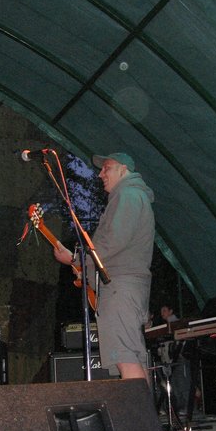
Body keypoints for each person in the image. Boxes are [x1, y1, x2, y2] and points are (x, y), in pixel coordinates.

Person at [54, 152, 155, 383]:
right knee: (134, 359)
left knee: (126, 360)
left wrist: (76, 259)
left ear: (123, 169)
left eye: (106, 168)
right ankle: (143, 407)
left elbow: (113, 241)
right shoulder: (131, 196)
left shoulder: (127, 195)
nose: (100, 174)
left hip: (119, 288)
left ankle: (134, 408)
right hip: (126, 287)